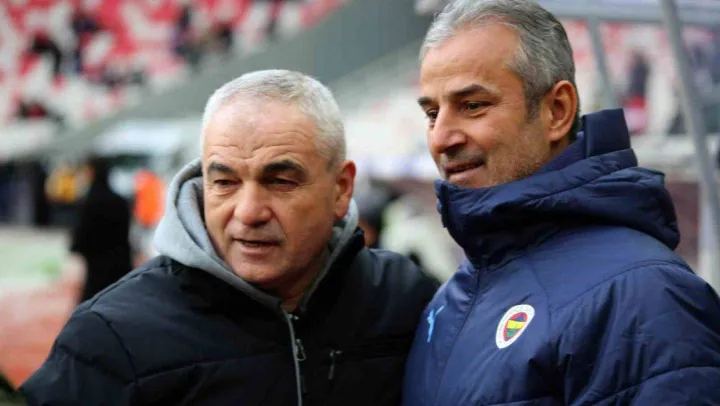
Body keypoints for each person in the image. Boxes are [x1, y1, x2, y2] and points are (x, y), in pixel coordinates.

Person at [21, 70, 437, 405]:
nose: (248, 212)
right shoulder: (110, 337)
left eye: (280, 181)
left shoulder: (404, 297)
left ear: (341, 189)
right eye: (225, 182)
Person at [403, 1, 720, 405]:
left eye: (472, 106)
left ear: (557, 111)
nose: (440, 138)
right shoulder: (455, 294)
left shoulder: (642, 293)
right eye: (432, 113)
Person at [69, 156, 133, 302]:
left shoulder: (88, 202)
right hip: (120, 263)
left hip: (96, 265)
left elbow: (81, 234)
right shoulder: (120, 201)